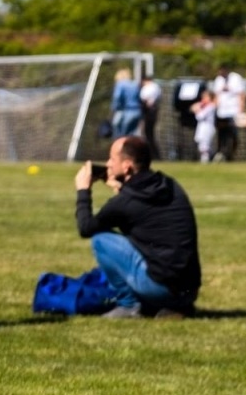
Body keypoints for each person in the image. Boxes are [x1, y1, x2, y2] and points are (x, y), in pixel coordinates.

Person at [75, 135, 201, 319]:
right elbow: (142, 209)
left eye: (112, 159)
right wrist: (122, 188)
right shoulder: (169, 184)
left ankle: (128, 305)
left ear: (127, 166)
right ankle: (178, 307)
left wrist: (83, 190)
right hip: (189, 289)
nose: (108, 164)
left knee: (101, 240)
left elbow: (85, 227)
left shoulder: (125, 202)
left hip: (160, 288)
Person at [211, 64, 245, 162]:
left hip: (233, 111)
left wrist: (241, 110)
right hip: (221, 112)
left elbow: (242, 94)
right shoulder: (218, 80)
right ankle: (221, 154)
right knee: (222, 135)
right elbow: (216, 96)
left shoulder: (236, 78)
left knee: (233, 135)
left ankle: (231, 155)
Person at [110, 68, 141, 140]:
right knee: (132, 136)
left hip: (126, 112)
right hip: (137, 112)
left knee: (120, 136)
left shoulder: (120, 84)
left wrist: (114, 108)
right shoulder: (135, 84)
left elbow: (117, 97)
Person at [138, 70, 161, 159]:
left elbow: (147, 100)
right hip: (152, 111)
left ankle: (153, 154)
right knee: (149, 134)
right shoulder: (156, 87)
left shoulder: (149, 88)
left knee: (148, 134)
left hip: (149, 112)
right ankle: (154, 154)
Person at [193, 89, 217, 163]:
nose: (204, 99)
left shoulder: (211, 106)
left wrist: (197, 110)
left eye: (206, 97)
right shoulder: (204, 106)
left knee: (205, 144)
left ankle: (206, 160)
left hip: (207, 127)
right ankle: (210, 158)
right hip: (202, 127)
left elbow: (200, 116)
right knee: (201, 144)